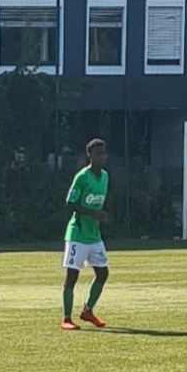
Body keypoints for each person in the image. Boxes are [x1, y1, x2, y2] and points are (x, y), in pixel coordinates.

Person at [60, 138, 109, 330]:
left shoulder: (105, 176)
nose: (101, 157)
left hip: (94, 235)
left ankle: (87, 310)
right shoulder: (82, 177)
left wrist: (99, 215)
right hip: (78, 234)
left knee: (103, 273)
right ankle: (66, 318)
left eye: (103, 153)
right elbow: (70, 204)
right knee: (72, 276)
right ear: (89, 155)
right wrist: (92, 213)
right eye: (97, 153)